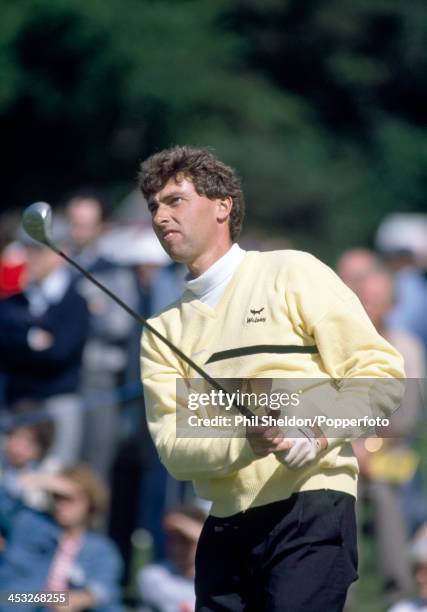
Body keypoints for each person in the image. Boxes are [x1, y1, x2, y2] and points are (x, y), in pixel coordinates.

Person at [138, 146, 405, 611]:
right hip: (223, 523)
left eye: (175, 200)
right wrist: (248, 442)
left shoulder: (291, 271)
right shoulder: (162, 329)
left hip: (312, 506)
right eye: (153, 206)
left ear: (223, 205)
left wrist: (318, 431)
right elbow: (175, 450)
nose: (161, 216)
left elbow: (381, 374)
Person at [0, 221, 90, 466]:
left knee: (55, 474)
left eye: (38, 250)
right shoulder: (13, 302)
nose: (30, 258)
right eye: (26, 250)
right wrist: (32, 339)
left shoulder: (75, 301)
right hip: (16, 402)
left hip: (58, 404)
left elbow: (59, 352)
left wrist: (21, 342)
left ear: (60, 253)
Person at [0, 465, 123, 612]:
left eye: (70, 499)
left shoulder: (102, 550)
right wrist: (37, 480)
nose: (61, 505)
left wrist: (80, 599)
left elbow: (103, 590)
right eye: (57, 497)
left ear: (89, 504)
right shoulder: (30, 525)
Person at [138, 504, 205, 612]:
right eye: (171, 538)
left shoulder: (218, 580)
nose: (176, 547)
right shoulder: (154, 576)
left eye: (185, 539)